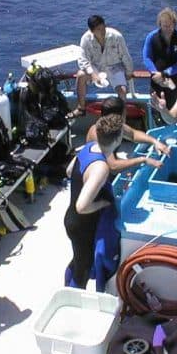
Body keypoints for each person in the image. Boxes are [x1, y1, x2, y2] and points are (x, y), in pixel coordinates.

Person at [64, 114, 122, 289]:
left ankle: (67, 286)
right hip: (83, 226)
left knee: (78, 260)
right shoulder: (102, 167)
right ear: (118, 138)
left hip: (72, 220)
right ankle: (72, 300)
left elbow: (68, 171)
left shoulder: (88, 147)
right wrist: (102, 203)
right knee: (83, 267)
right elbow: (82, 206)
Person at [68, 15, 134, 118]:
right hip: (96, 66)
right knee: (81, 75)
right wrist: (92, 74)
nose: (102, 31)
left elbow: (125, 55)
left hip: (114, 66)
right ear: (92, 30)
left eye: (103, 27)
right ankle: (81, 108)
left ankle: (122, 119)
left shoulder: (116, 36)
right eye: (98, 29)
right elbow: (82, 59)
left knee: (122, 90)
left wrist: (129, 72)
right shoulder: (86, 39)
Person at [86, 96, 169, 172]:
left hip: (109, 165)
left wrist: (155, 142)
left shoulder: (112, 124)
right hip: (97, 172)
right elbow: (113, 166)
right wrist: (143, 160)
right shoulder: (98, 133)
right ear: (121, 115)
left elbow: (133, 134)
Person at [142, 7, 177, 110]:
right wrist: (155, 73)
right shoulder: (151, 37)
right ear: (160, 25)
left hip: (174, 81)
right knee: (156, 110)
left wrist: (164, 74)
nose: (167, 29)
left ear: (174, 24)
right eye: (164, 26)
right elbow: (146, 57)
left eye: (170, 26)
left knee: (173, 111)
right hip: (156, 80)